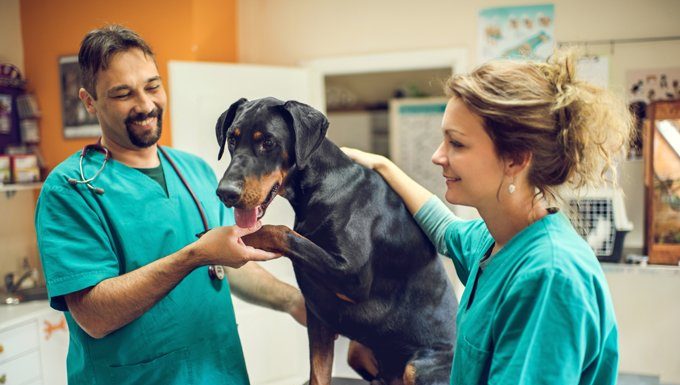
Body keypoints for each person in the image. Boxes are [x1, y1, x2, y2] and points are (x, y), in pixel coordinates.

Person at [343, 49, 634, 385]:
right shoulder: (496, 241)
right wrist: (383, 166)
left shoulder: (548, 277)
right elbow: (445, 228)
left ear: (514, 160)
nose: (439, 156)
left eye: (456, 143)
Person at [35, 25, 305, 385]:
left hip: (221, 374)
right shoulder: (69, 190)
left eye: (152, 86)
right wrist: (194, 255)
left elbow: (230, 266)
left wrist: (295, 302)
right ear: (89, 102)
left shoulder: (195, 170)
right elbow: (94, 317)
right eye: (122, 94)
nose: (146, 105)